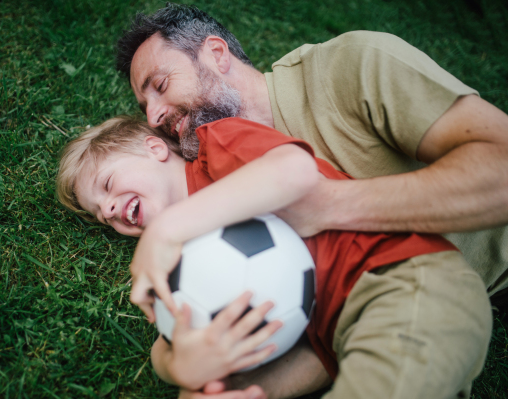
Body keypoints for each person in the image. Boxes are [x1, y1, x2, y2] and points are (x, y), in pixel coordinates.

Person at [55, 115, 492, 399]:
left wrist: (168, 228)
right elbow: (166, 339)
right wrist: (180, 368)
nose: (109, 210)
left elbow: (293, 172)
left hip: (404, 280)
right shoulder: (181, 262)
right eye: (101, 215)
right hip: (340, 341)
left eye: (109, 186)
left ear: (155, 149)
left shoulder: (215, 150)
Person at [115, 4, 508, 302]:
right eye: (143, 105)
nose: (153, 117)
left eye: (161, 85)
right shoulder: (221, 184)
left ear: (217, 55)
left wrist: (330, 205)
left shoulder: (353, 65)